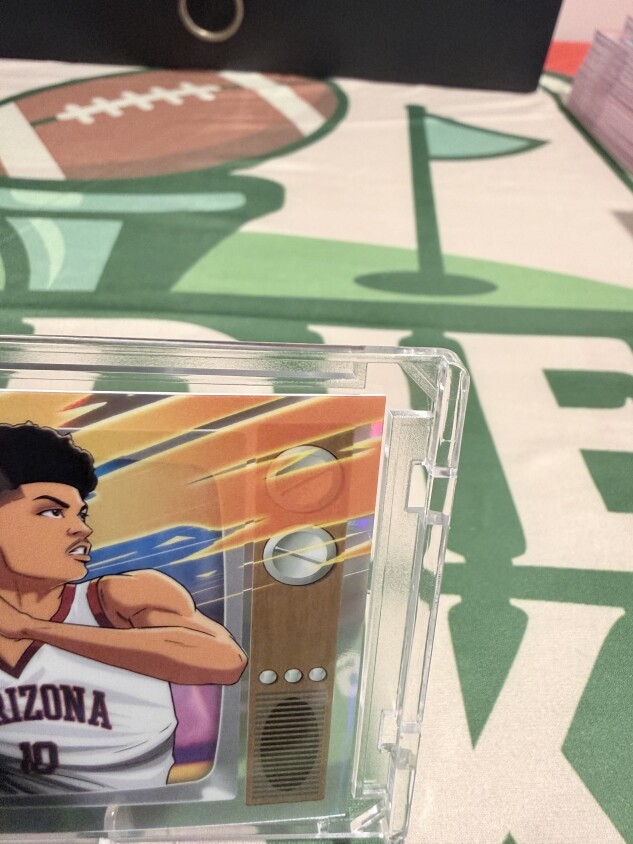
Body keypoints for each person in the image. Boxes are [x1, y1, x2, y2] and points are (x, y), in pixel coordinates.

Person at [0, 422, 247, 795]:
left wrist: (31, 627)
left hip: (142, 817)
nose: (82, 530)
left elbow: (224, 660)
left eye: (81, 514)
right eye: (52, 512)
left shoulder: (118, 597)